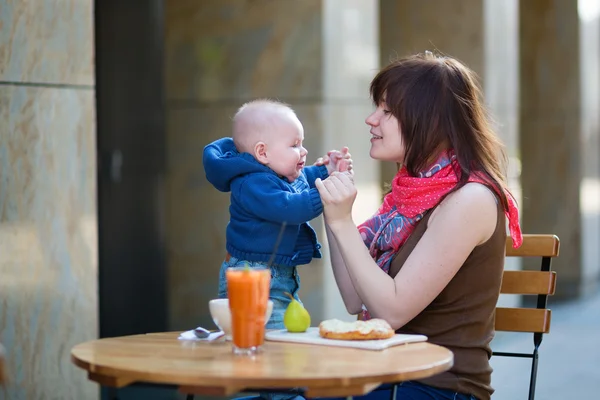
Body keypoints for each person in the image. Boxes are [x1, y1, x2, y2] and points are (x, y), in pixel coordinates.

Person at [313, 52, 523, 400]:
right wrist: (334, 212)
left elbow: (391, 311)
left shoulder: (470, 199)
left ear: (429, 120)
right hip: (387, 376)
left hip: (439, 387)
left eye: (387, 111)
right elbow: (354, 298)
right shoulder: (408, 196)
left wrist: (342, 221)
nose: (371, 119)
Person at [203, 99, 352, 329]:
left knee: (279, 338)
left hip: (275, 279)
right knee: (266, 338)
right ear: (262, 152)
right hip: (252, 274)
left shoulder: (276, 173)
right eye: (294, 145)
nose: (303, 151)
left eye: (301, 143)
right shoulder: (251, 183)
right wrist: (325, 193)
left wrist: (326, 170)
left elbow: (302, 180)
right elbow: (289, 207)